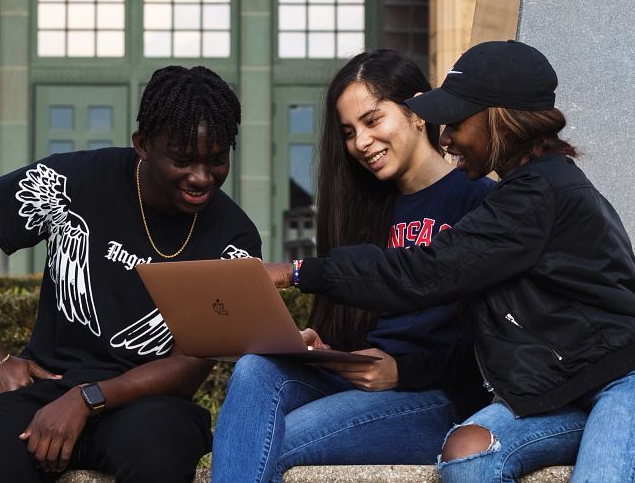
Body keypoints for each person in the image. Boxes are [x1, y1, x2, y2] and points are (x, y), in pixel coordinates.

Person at [266, 40, 635, 483]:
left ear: (498, 118)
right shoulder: (516, 196)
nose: (447, 137)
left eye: (456, 122)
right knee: (469, 451)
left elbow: (425, 272)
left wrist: (299, 271)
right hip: (561, 395)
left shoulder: (539, 193)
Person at [0, 65, 260, 483]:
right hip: (46, 389)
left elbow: (189, 364)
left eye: (216, 160)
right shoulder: (71, 181)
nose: (201, 177)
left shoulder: (234, 238)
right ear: (142, 144)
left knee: (159, 453)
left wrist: (87, 400)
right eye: (183, 160)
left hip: (149, 405)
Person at [211, 49, 494, 483]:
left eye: (373, 120)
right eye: (349, 131)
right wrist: (319, 347)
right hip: (364, 382)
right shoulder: (368, 208)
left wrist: (402, 370)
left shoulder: (478, 203)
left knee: (270, 443)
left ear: (418, 111)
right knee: (256, 367)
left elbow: (494, 343)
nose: (361, 142)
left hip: (438, 398)